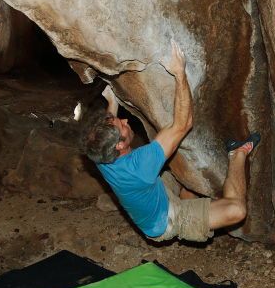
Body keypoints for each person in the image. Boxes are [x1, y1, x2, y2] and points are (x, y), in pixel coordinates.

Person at [83, 40, 258, 243]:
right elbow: (183, 124)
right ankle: (237, 154)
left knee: (186, 178)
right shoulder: (140, 164)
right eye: (122, 125)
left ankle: (187, 195)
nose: (125, 120)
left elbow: (106, 133)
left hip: (155, 191)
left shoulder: (99, 153)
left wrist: (112, 103)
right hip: (168, 221)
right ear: (120, 145)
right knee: (236, 210)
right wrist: (179, 74)